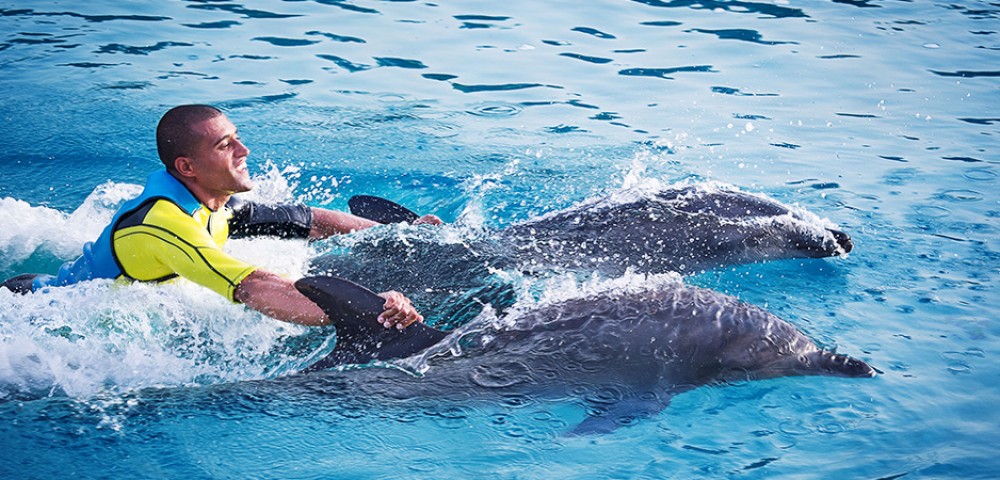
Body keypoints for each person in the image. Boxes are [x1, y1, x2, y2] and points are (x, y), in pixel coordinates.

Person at [1, 104, 442, 330]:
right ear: (186, 168)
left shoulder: (214, 199)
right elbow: (253, 287)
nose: (244, 152)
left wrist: (402, 235)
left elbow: (312, 220)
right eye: (224, 145)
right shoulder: (164, 226)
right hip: (34, 311)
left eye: (238, 139)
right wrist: (364, 310)